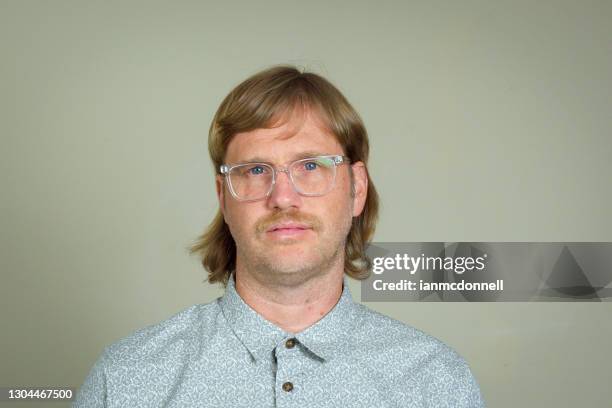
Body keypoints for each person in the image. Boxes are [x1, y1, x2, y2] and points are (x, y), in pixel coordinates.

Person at [74, 65, 485, 407]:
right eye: (255, 171)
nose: (283, 197)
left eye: (310, 166)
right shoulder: (127, 378)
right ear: (223, 197)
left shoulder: (436, 382)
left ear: (356, 188)